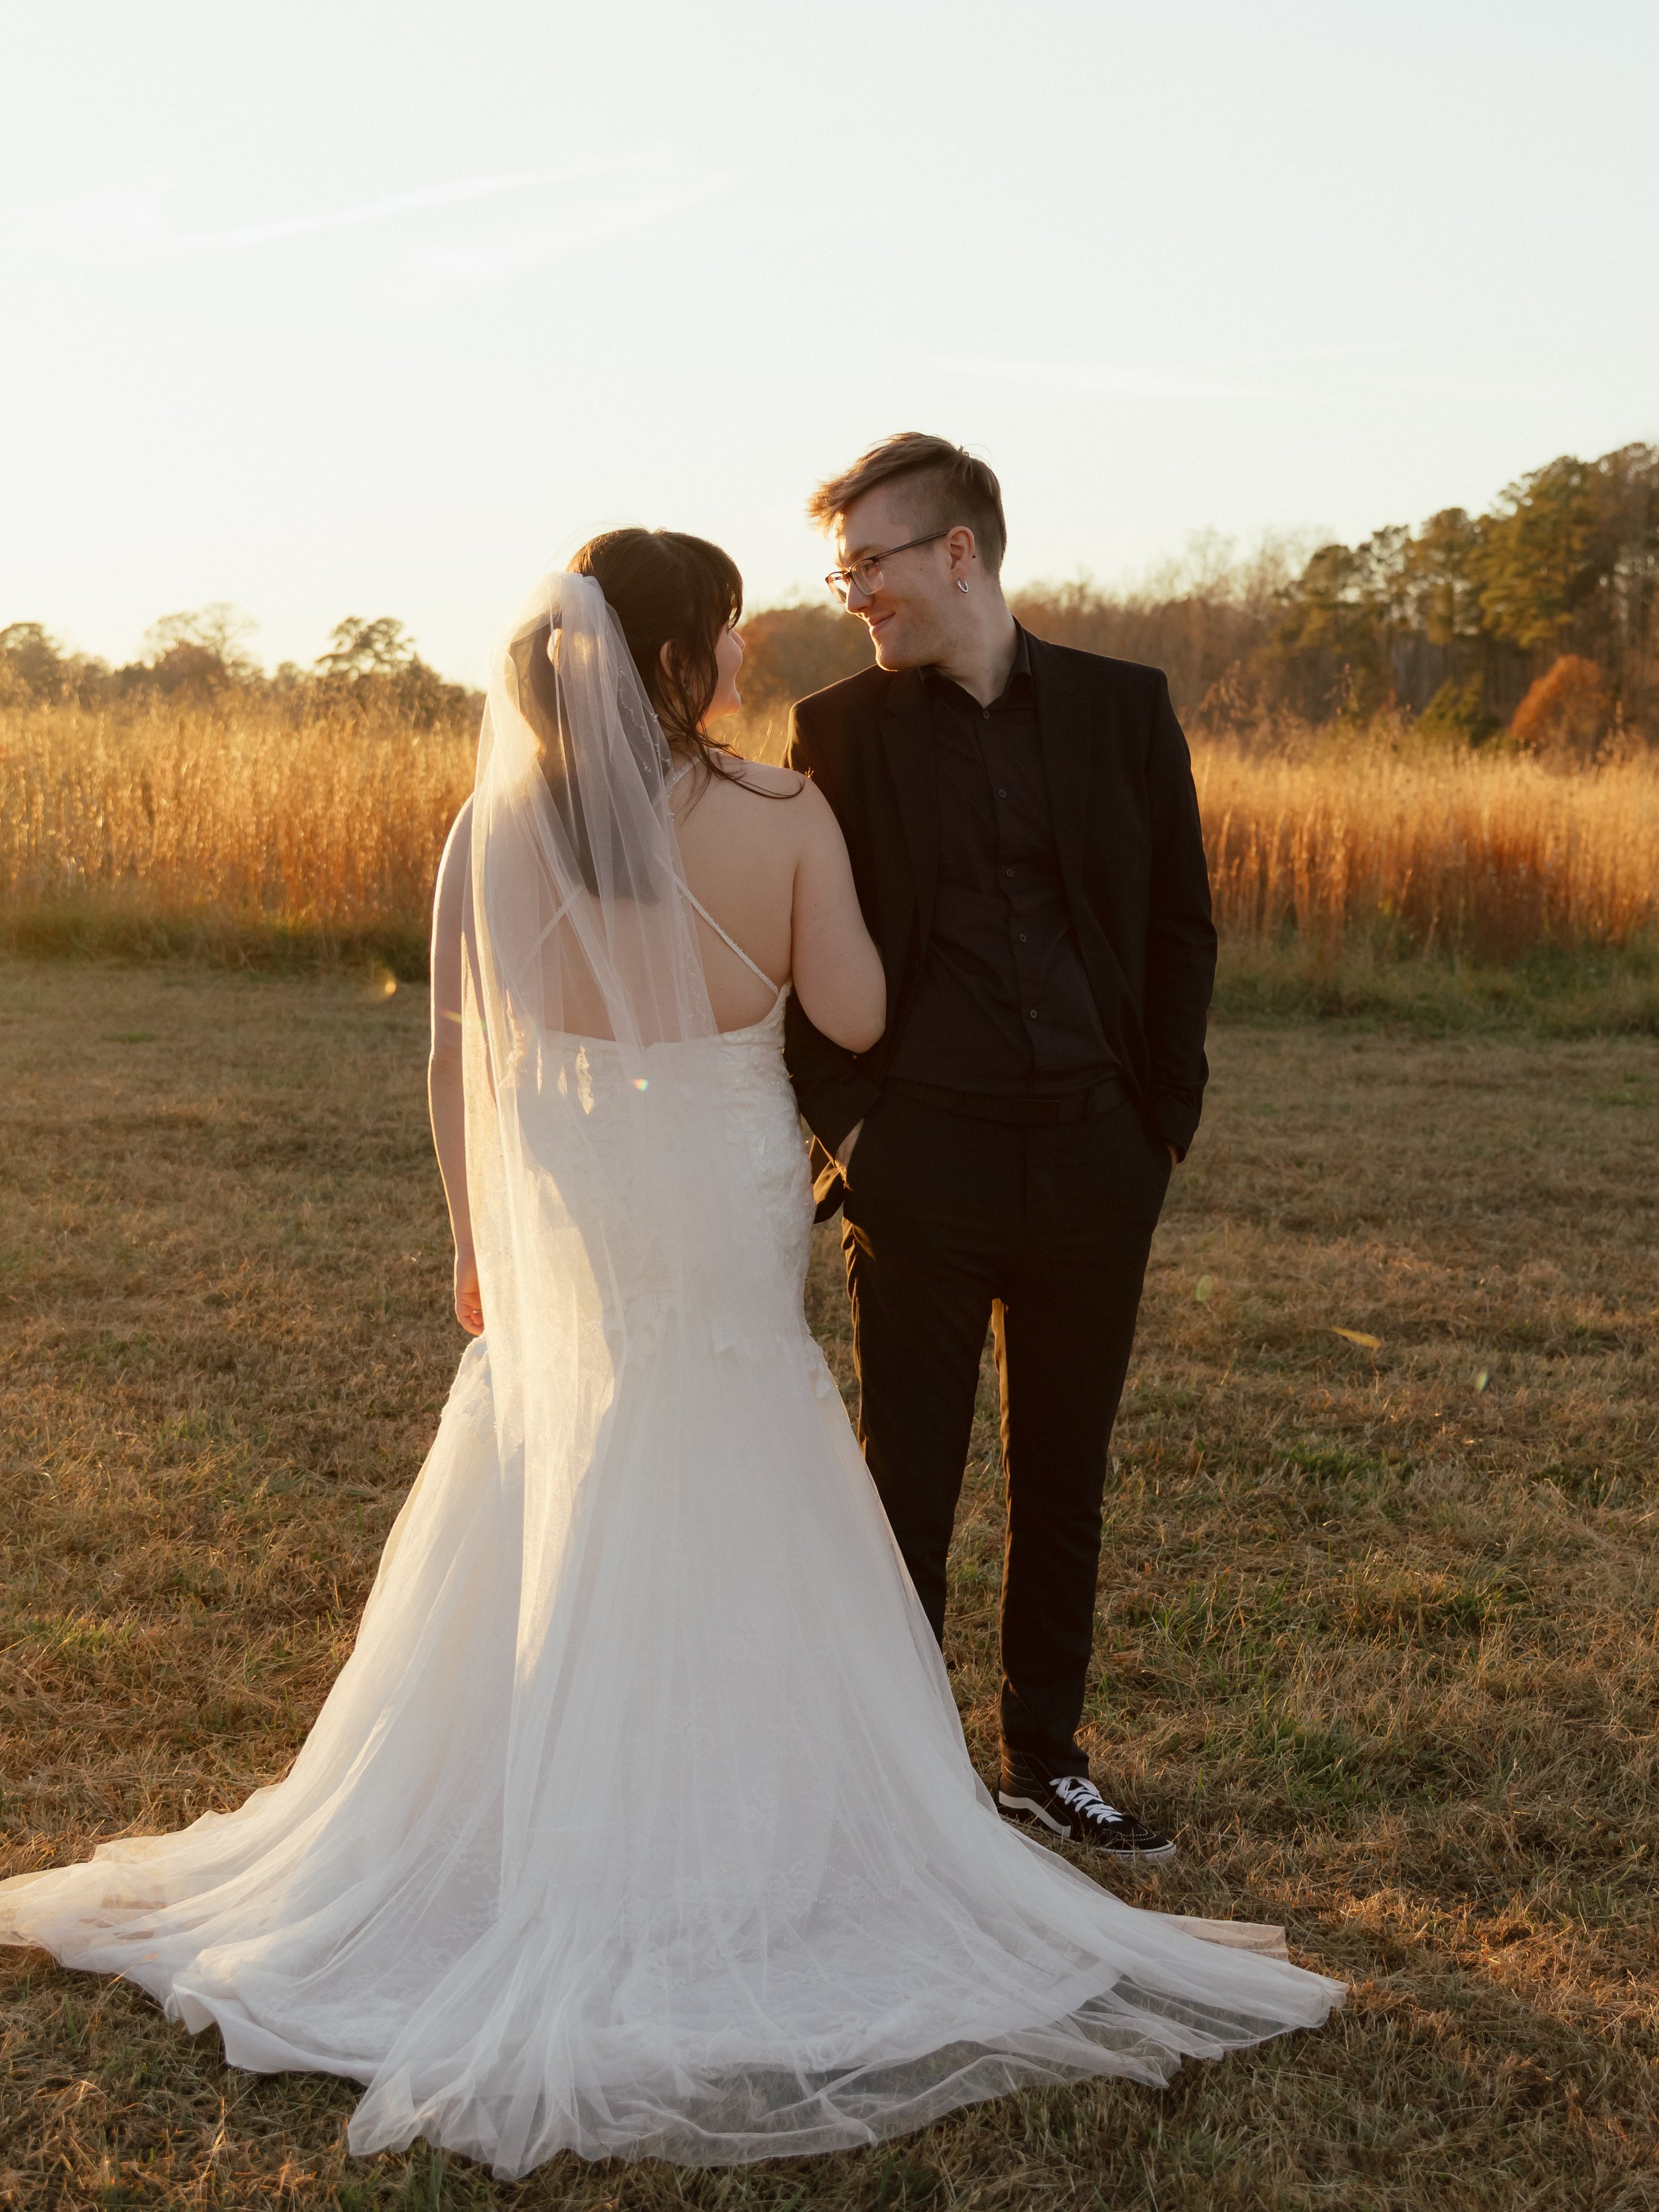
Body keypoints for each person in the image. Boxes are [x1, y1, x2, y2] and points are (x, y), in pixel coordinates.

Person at [0, 530, 1338, 2179]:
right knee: (732, 1444)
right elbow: (849, 1015)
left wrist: (474, 1239)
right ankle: (743, 1842)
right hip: (717, 1190)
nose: (746, 644)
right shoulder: (778, 814)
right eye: (724, 626)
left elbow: (449, 1056)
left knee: (557, 1462)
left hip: (564, 1207)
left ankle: (528, 1823)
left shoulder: (486, 826)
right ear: (680, 656)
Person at [784, 435, 1216, 1860]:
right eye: (840, 568)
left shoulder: (1121, 710)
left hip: (1098, 1161)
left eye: (869, 563)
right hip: (922, 1166)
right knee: (904, 1479)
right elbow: (792, 952)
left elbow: (1175, 929)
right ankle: (901, 1784)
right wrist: (857, 1134)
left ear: (956, 552)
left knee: (1063, 1473)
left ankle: (1045, 1758)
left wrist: (1160, 1124)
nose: (853, 592)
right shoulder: (836, 732)